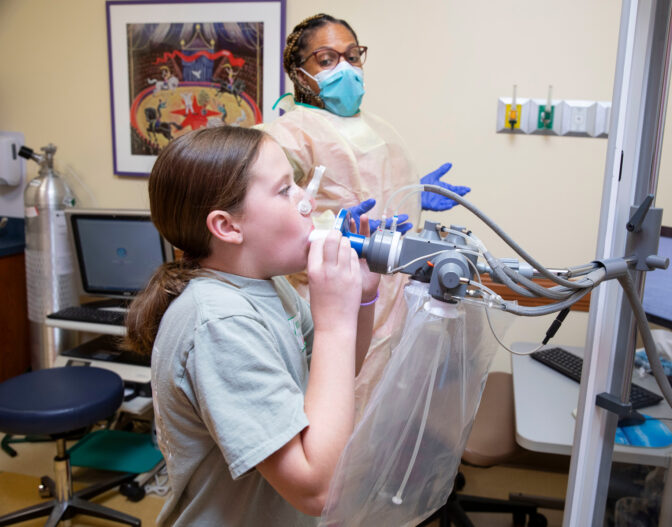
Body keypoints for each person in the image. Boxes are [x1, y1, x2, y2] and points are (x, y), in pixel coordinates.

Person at [124, 125, 380, 526]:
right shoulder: (220, 323)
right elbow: (317, 488)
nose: (306, 202)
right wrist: (334, 324)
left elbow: (334, 378)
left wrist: (361, 300)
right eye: (285, 190)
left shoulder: (268, 285)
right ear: (227, 227)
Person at [258, 13, 470, 417]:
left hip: (390, 293)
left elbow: (371, 192)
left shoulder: (377, 127)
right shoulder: (290, 133)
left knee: (379, 416)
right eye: (327, 59)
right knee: (333, 412)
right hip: (330, 296)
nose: (346, 69)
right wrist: (332, 230)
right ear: (299, 73)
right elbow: (261, 214)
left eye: (353, 56)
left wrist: (413, 196)